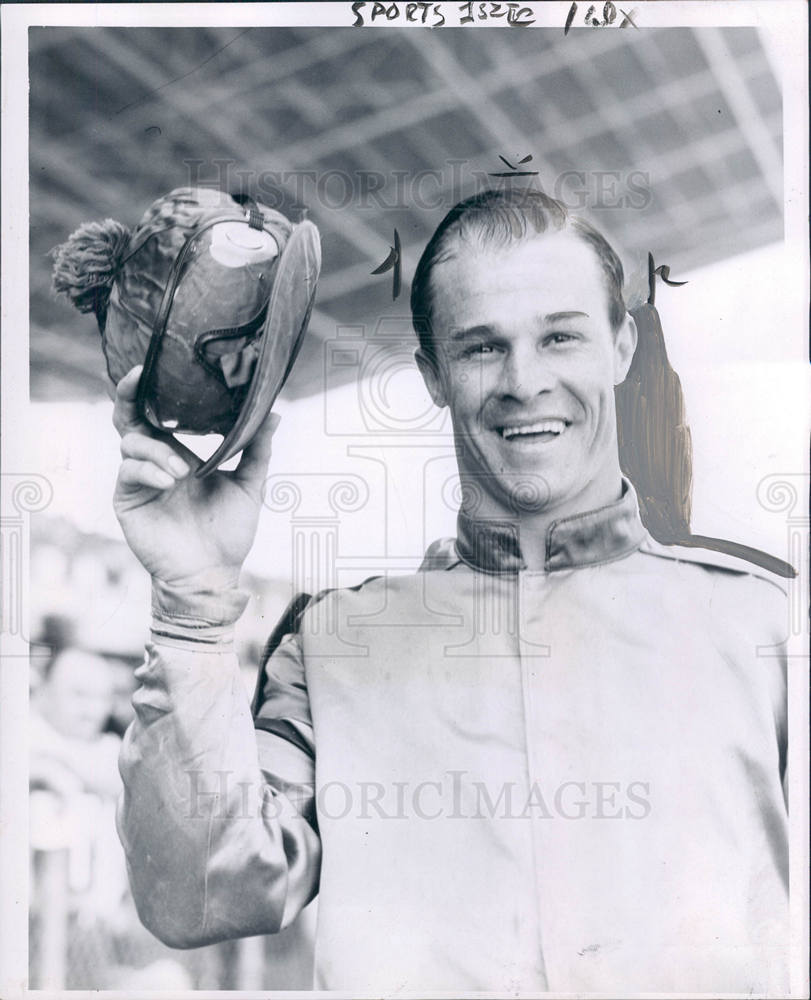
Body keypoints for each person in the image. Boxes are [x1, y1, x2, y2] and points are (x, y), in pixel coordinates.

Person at [114, 189, 788, 993]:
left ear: (620, 346)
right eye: (480, 348)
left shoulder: (769, 634)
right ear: (433, 376)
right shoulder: (334, 647)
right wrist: (190, 605)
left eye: (560, 337)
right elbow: (198, 896)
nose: (524, 381)